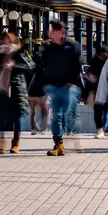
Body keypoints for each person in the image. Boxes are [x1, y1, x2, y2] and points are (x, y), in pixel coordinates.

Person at [38, 19, 83, 157]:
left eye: (53, 30)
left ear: (61, 32)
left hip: (69, 87)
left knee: (69, 115)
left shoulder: (73, 46)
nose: (50, 33)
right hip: (54, 88)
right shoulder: (47, 48)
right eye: (50, 30)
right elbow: (42, 66)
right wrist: (45, 84)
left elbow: (78, 66)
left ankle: (74, 137)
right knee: (56, 116)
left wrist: (71, 82)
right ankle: (59, 144)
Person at [0, 31, 32, 154]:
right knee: (1, 118)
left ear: (13, 40)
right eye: (3, 39)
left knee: (17, 116)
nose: (5, 41)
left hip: (17, 87)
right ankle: (1, 142)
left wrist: (14, 66)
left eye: (8, 39)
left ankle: (16, 143)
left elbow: (30, 66)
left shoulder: (19, 52)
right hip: (2, 88)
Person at [85, 46, 108, 139]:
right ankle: (100, 129)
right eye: (100, 55)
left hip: (107, 89)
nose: (102, 57)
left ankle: (103, 127)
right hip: (96, 89)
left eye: (103, 55)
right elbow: (89, 74)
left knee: (105, 110)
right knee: (98, 110)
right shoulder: (94, 61)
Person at [26, 62, 49, 136]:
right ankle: (43, 128)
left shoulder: (29, 69)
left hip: (30, 94)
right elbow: (46, 83)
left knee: (32, 112)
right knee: (44, 112)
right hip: (40, 95)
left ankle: (33, 130)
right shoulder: (43, 70)